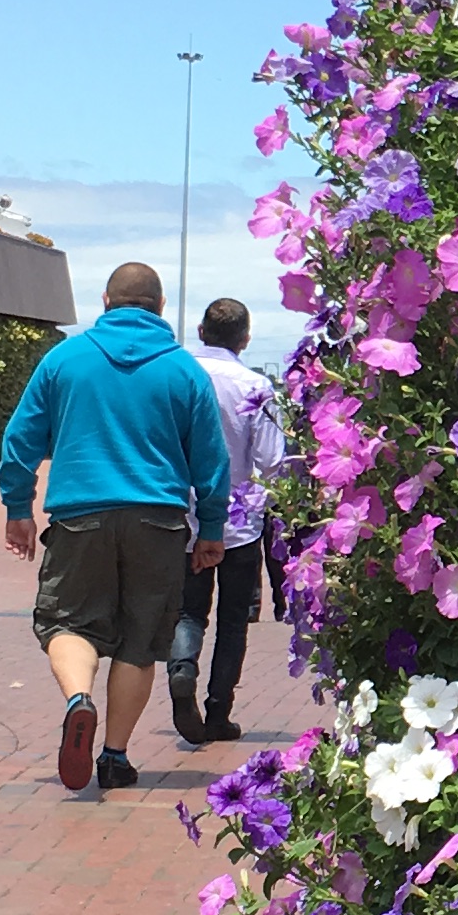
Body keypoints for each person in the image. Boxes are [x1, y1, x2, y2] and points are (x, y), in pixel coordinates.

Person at [0, 263, 228, 793]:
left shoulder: (64, 359)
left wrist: (17, 508)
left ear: (105, 301)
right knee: (139, 642)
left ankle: (79, 698)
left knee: (65, 622)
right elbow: (211, 462)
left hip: (79, 517)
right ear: (160, 307)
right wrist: (211, 528)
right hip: (158, 520)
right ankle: (115, 757)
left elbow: (20, 441)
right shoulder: (185, 370)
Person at [164, 297, 285, 745]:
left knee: (188, 610)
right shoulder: (256, 387)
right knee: (233, 620)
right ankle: (219, 713)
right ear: (245, 339)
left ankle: (182, 668)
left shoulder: (175, 375)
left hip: (180, 514)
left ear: (201, 331)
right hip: (238, 519)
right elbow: (273, 461)